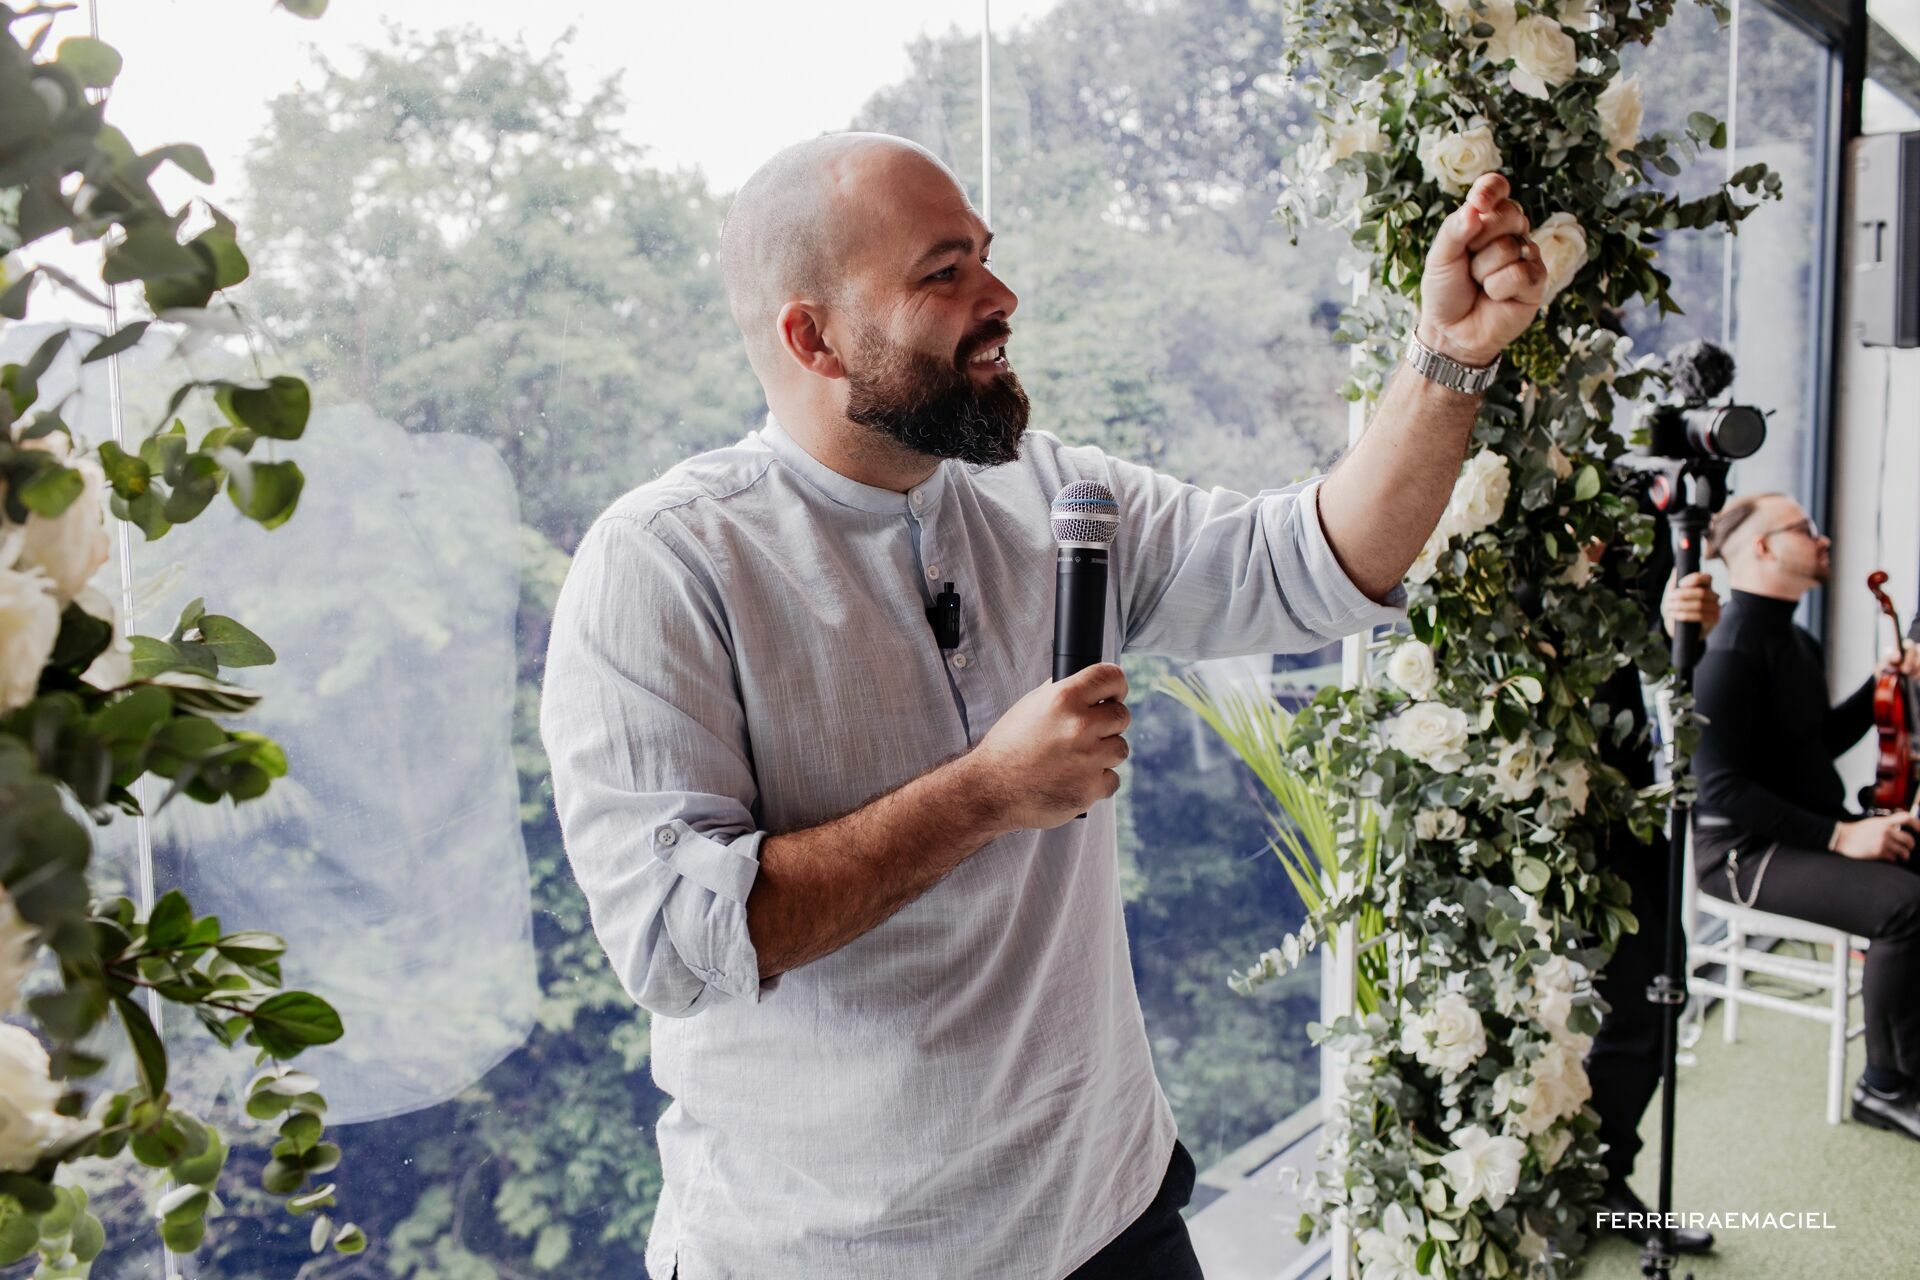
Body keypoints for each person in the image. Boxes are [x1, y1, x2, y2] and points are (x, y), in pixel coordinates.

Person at [539, 132, 1548, 1279]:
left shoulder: (1054, 491)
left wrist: (1449, 356)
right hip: (836, 1253)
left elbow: (1307, 561)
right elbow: (680, 939)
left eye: (987, 258)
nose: (1000, 297)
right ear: (811, 336)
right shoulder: (664, 565)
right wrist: (986, 792)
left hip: (1108, 1211)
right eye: (943, 272)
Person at [1691, 491, 1920, 1142]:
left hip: (1803, 830)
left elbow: (1812, 741)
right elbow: (1722, 789)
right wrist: (1842, 835)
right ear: (1763, 547)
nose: (1823, 540)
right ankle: (1885, 1086)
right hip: (1740, 854)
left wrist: (1883, 685)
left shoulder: (1796, 639)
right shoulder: (1726, 653)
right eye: (1806, 529)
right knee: (1905, 906)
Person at [1582, 515, 1720, 1253]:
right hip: (1524, 800)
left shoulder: (1635, 503)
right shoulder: (1490, 487)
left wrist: (1687, 632)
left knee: (1658, 988)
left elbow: (1650, 662)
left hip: (1621, 795)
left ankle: (1602, 1177)